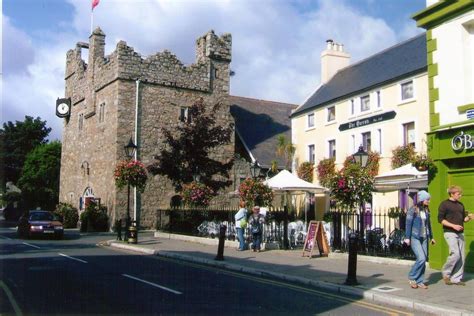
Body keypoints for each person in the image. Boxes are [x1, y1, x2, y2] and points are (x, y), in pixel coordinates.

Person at [438, 185, 473, 286]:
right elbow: (440, 220)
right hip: (449, 232)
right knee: (455, 254)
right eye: (458, 194)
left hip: (460, 233)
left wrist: (469, 218)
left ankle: (456, 279)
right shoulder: (444, 204)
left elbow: (463, 220)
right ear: (452, 194)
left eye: (460, 194)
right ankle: (446, 273)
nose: (460, 195)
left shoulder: (460, 205)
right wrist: (453, 226)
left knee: (461, 256)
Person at [404, 190, 435, 289]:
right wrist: (407, 238)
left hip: (425, 238)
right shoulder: (413, 210)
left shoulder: (426, 210)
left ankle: (420, 280)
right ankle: (412, 277)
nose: (429, 201)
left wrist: (432, 237)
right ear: (421, 199)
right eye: (427, 199)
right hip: (415, 237)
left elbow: (429, 225)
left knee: (423, 259)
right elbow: (408, 224)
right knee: (421, 258)